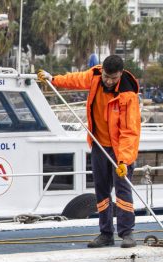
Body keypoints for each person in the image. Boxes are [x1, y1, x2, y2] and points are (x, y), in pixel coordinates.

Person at [38, 55, 141, 248]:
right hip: (99, 146)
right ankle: (105, 234)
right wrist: (53, 79)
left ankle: (127, 234)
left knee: (123, 192)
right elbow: (75, 79)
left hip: (120, 152)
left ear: (120, 74)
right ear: (102, 71)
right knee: (101, 191)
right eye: (106, 77)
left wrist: (124, 161)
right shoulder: (94, 76)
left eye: (113, 78)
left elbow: (130, 132)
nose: (108, 81)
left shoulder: (128, 96)